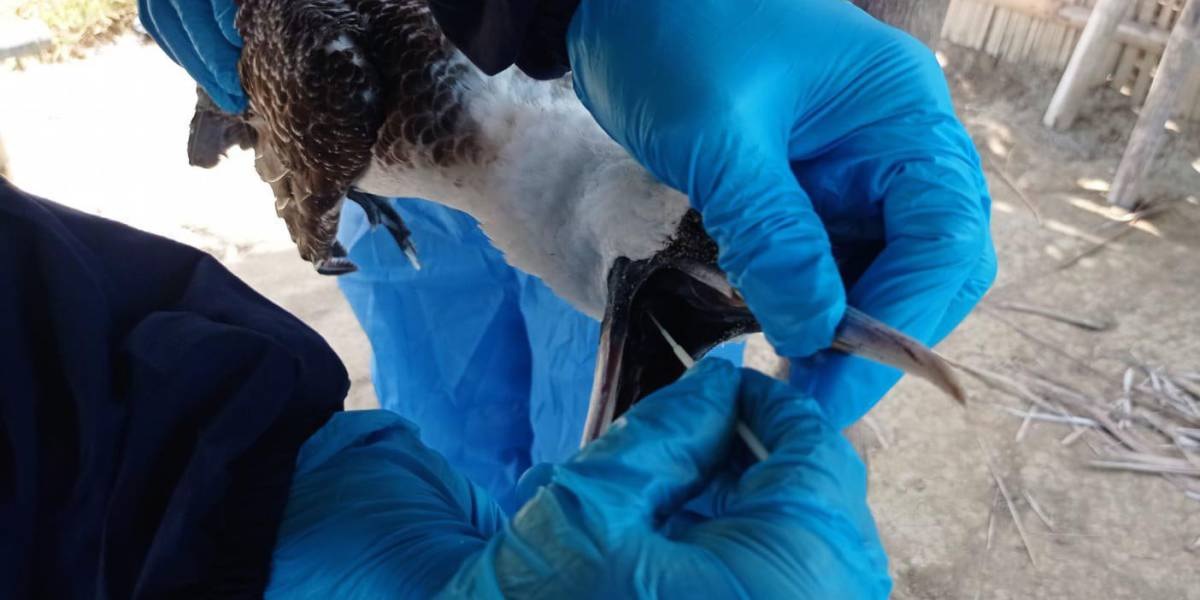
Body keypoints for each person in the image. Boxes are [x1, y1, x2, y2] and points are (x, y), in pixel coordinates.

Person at [1, 179, 888, 597]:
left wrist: (225, 503)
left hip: (620, 174)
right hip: (398, 162)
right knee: (455, 404)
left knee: (606, 441)